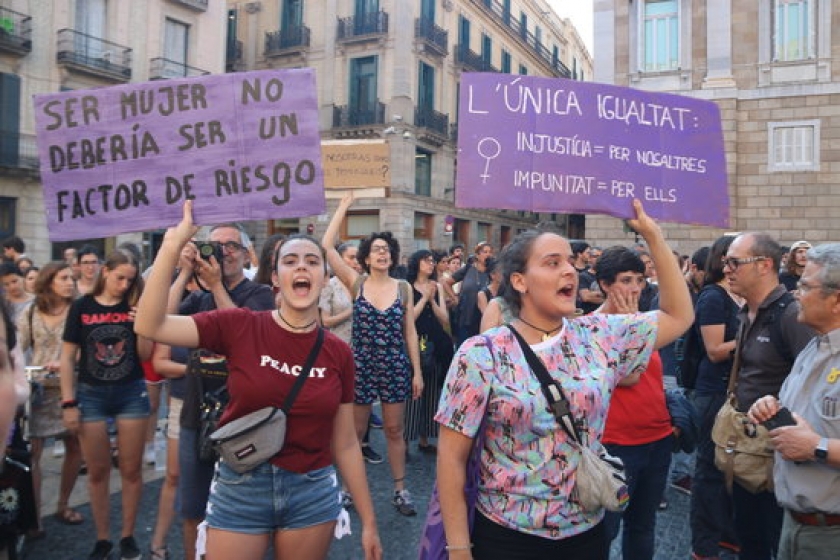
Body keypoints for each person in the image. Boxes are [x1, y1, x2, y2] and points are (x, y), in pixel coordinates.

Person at [436, 199, 693, 559]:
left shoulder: (600, 334)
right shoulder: (481, 353)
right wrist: (459, 548)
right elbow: (451, 457)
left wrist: (653, 236)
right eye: (553, 263)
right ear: (520, 281)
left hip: (585, 534)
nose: (569, 271)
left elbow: (679, 316)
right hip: (506, 535)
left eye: (570, 262)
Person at [134, 200, 382, 560]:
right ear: (275, 277)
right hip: (241, 487)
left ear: (324, 278)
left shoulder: (338, 353)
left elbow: (344, 442)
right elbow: (149, 325)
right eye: (290, 261)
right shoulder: (241, 325)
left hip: (311, 492)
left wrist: (370, 521)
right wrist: (171, 248)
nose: (302, 267)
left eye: (312, 261)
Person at [172, 223, 275, 560]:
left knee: (245, 510)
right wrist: (183, 270)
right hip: (196, 413)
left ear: (247, 254)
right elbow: (160, 319)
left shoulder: (260, 295)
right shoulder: (197, 297)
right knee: (192, 506)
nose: (224, 252)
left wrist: (216, 285)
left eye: (232, 246)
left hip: (244, 419)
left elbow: (246, 337)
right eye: (215, 246)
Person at [322, 192, 423, 517]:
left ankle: (400, 489)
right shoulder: (356, 282)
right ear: (365, 258)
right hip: (360, 363)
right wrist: (343, 206)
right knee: (356, 432)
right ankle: (348, 490)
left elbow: (410, 332)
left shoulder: (404, 288)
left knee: (394, 430)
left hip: (394, 364)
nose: (381, 253)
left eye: (386, 250)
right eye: (375, 250)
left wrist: (416, 372)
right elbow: (326, 246)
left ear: (392, 257)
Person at [722, 232, 816, 560]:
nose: (727, 269)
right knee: (749, 537)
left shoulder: (790, 315)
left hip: (776, 454)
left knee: (772, 538)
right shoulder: (746, 310)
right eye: (725, 262)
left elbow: (812, 381)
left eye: (734, 262)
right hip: (747, 449)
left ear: (764, 265)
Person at [748, 243, 840, 560]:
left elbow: (813, 439)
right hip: (794, 524)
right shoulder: (813, 347)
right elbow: (805, 420)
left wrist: (817, 446)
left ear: (837, 300)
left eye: (805, 286)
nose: (795, 293)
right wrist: (772, 408)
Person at [59, 250, 152, 560]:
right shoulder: (81, 307)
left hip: (130, 391)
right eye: (119, 277)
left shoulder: (135, 305)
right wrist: (68, 402)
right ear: (105, 272)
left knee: (131, 468)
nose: (124, 284)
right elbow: (67, 358)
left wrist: (142, 323)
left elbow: (145, 354)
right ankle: (102, 539)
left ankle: (127, 536)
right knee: (97, 471)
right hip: (91, 394)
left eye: (130, 279)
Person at [596, 246, 675, 560]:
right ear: (604, 284)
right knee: (605, 530)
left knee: (643, 526)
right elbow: (629, 374)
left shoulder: (647, 321)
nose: (635, 288)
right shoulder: (593, 326)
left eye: (640, 280)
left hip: (657, 439)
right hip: (616, 443)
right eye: (626, 280)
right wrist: (631, 323)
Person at [17, 262, 84, 537]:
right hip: (38, 391)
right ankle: (34, 514)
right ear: (49, 281)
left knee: (74, 447)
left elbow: (88, 345)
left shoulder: (79, 310)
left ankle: (63, 504)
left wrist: (67, 361)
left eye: (72, 278)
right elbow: (17, 345)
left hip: (72, 387)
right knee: (32, 453)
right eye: (63, 278)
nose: (70, 282)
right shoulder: (31, 310)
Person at [689, 236, 742, 560]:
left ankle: (727, 534)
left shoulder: (740, 296)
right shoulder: (712, 297)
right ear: (724, 259)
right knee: (709, 469)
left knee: (732, 469)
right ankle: (704, 545)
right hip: (712, 393)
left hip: (735, 392)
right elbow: (715, 351)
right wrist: (750, 333)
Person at [319, 241, 382, 467]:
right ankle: (335, 446)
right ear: (339, 260)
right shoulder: (330, 286)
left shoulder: (367, 284)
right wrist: (352, 309)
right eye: (351, 258)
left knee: (362, 401)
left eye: (358, 258)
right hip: (338, 349)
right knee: (340, 401)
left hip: (365, 350)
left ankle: (363, 445)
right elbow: (324, 321)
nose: (355, 262)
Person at [404, 249, 452, 453]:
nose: (431, 264)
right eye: (426, 260)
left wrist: (432, 299)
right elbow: (409, 319)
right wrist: (423, 298)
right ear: (417, 263)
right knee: (412, 395)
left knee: (432, 393)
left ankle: (425, 439)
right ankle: (405, 442)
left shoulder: (437, 286)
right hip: (414, 344)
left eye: (432, 261)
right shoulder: (406, 287)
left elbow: (445, 319)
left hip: (435, 344)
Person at [443, 241, 494, 346]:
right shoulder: (468, 268)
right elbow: (447, 282)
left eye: (490, 252)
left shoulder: (492, 273)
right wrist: (455, 298)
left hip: (482, 318)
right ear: (478, 255)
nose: (488, 254)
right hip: (465, 315)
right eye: (485, 252)